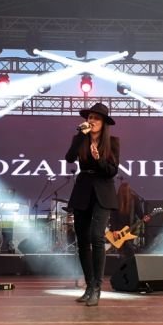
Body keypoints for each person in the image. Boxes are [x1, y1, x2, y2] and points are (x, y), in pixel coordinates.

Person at [65, 102, 120, 306]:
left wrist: (98, 159)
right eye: (90, 117)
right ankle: (89, 286)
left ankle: (97, 287)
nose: (92, 120)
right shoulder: (80, 138)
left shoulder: (112, 142)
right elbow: (69, 158)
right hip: (82, 190)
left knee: (97, 237)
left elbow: (112, 171)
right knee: (82, 241)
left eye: (96, 118)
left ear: (104, 122)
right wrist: (81, 135)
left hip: (103, 191)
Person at [109, 182, 144, 258]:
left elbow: (140, 215)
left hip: (127, 229)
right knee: (127, 250)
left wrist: (145, 218)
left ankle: (124, 260)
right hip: (120, 230)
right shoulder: (118, 199)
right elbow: (113, 216)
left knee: (126, 250)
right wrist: (114, 230)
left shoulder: (133, 199)